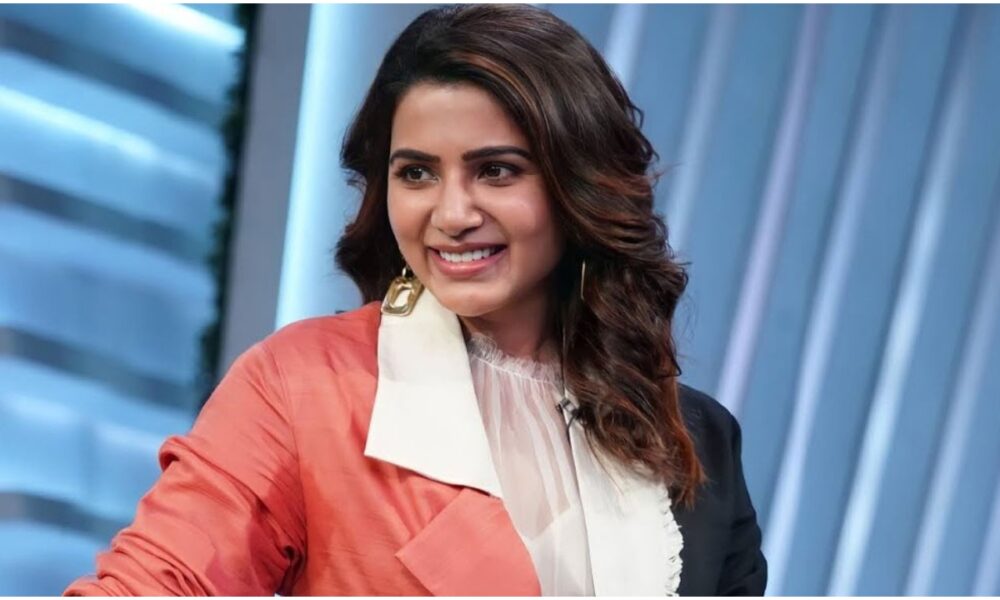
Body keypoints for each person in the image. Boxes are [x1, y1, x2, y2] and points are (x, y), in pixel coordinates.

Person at [65, 4, 766, 596]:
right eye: (417, 173)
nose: (451, 214)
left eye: (496, 171)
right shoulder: (303, 385)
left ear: (577, 184)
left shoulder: (696, 437)